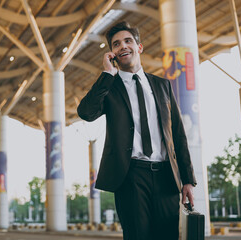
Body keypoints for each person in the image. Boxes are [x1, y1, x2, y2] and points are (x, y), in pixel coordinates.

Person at [77, 21, 197, 240]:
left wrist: (187, 179)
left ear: (139, 47)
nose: (122, 46)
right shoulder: (110, 88)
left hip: (166, 178)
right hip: (131, 176)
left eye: (127, 41)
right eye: (116, 44)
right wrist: (106, 74)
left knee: (168, 236)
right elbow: (86, 112)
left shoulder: (162, 86)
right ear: (112, 53)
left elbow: (178, 134)